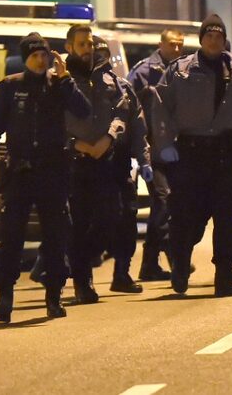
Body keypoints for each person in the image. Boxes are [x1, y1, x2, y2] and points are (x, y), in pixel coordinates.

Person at [0, 33, 91, 323]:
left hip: (53, 173)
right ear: (25, 58)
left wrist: (66, 80)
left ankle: (54, 296)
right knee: (11, 237)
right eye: (35, 56)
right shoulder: (11, 88)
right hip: (20, 173)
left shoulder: (59, 85)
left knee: (56, 236)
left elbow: (84, 112)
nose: (41, 61)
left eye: (44, 55)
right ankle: (5, 295)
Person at [150, 14, 232, 297]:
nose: (214, 41)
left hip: (227, 154)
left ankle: (224, 274)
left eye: (219, 36)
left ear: (225, 41)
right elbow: (160, 107)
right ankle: (179, 265)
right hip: (191, 154)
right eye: (209, 36)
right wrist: (164, 144)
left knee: (228, 217)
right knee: (186, 217)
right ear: (201, 40)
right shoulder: (180, 71)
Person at [65, 25, 152, 304]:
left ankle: (111, 269)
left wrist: (110, 138)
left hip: (108, 161)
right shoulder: (62, 82)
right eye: (83, 45)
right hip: (75, 164)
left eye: (91, 45)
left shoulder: (113, 83)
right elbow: (50, 121)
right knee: (78, 225)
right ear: (70, 48)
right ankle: (82, 282)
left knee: (113, 218)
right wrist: (75, 144)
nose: (88, 50)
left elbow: (125, 114)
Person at [128, 29, 185, 281]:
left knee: (171, 204)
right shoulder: (143, 72)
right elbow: (128, 107)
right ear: (161, 44)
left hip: (175, 148)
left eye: (180, 45)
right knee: (163, 199)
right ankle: (170, 256)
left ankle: (153, 262)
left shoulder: (184, 70)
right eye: (172, 44)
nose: (176, 49)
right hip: (151, 149)